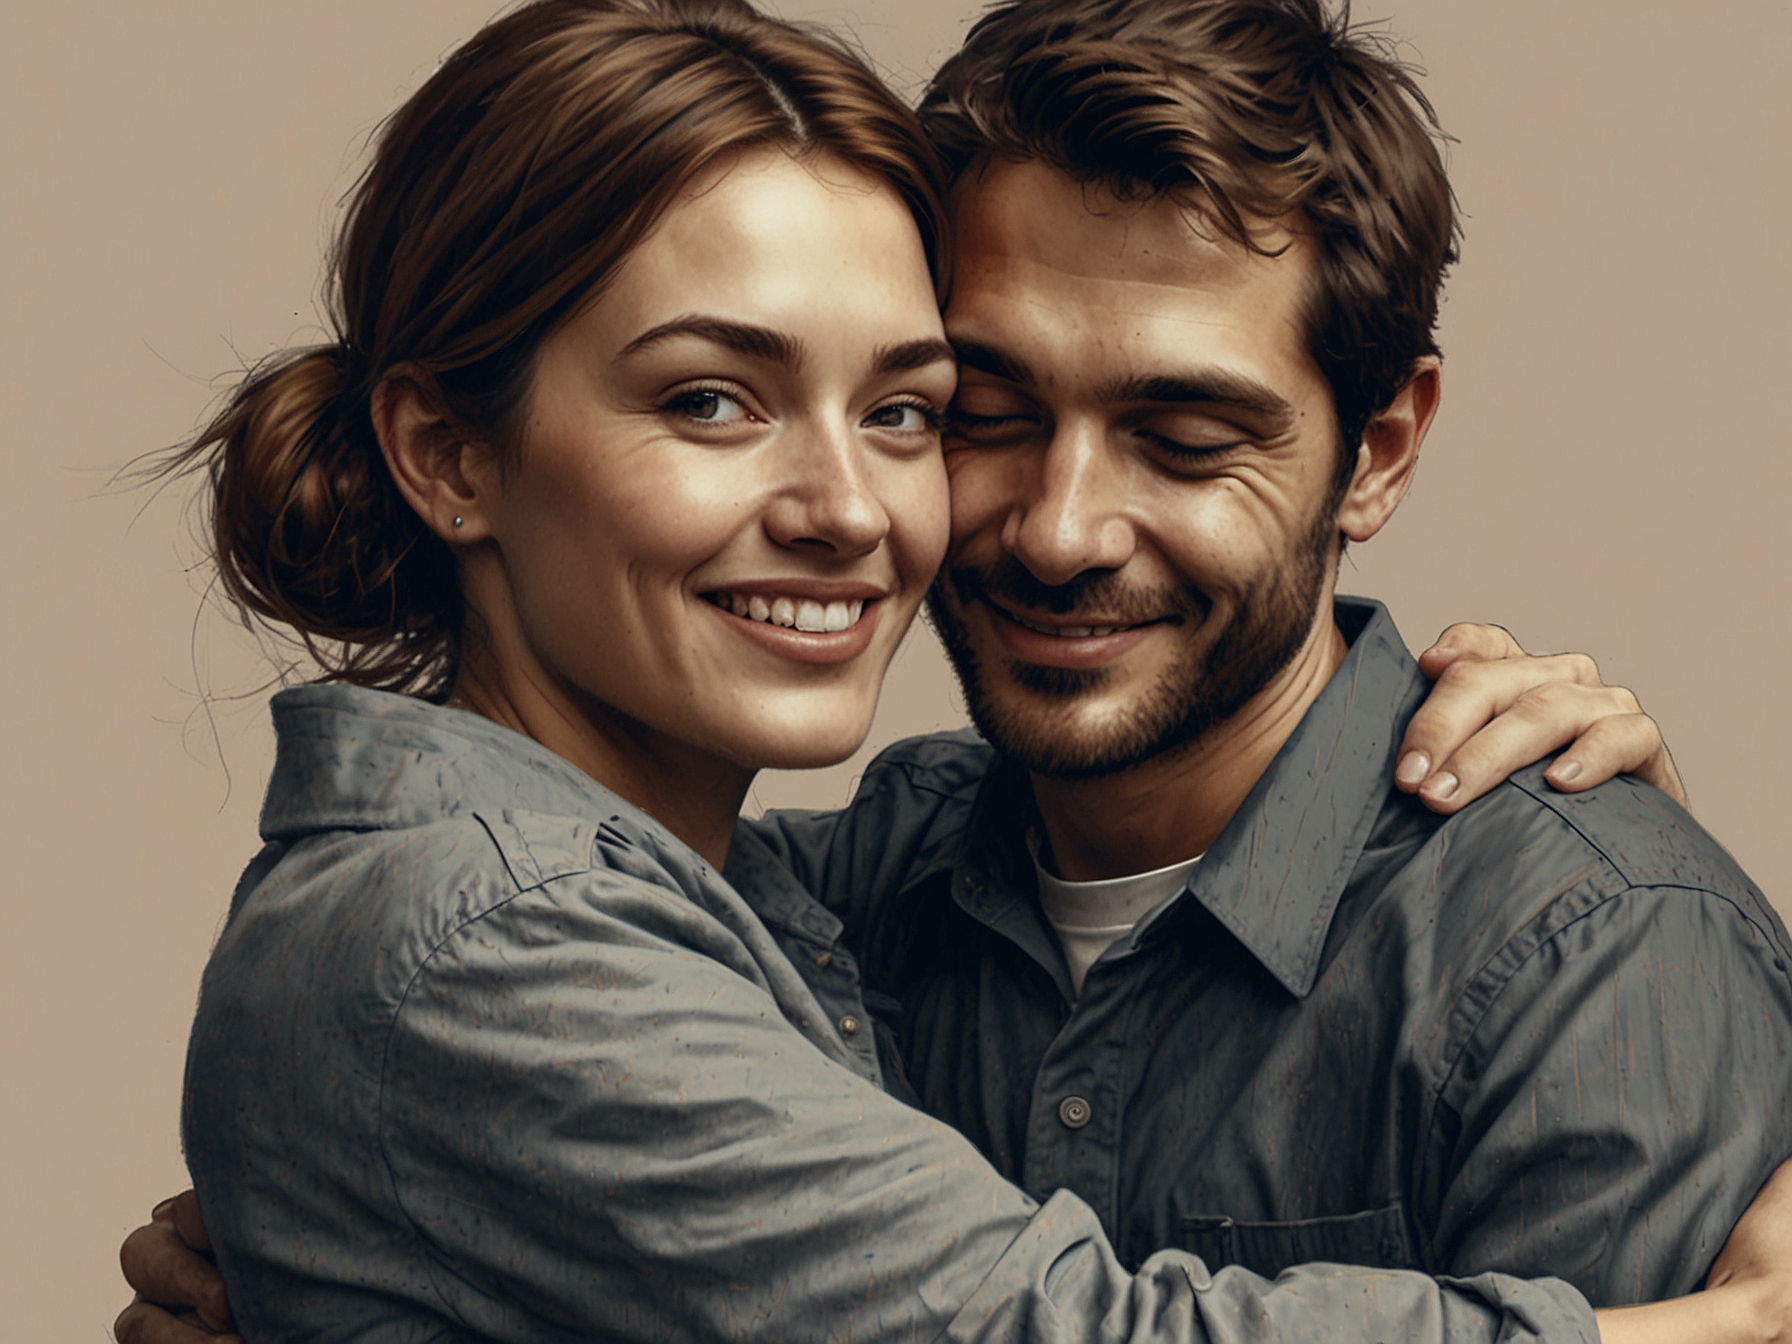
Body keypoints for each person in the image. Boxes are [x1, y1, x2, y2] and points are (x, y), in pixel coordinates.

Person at [111, 0, 1792, 1342]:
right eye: (986, 413)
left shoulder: (1594, 950)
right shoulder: (724, 912)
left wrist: (1599, 871)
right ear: (444, 454)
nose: (1056, 529)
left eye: (1185, 434)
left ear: (1380, 448)